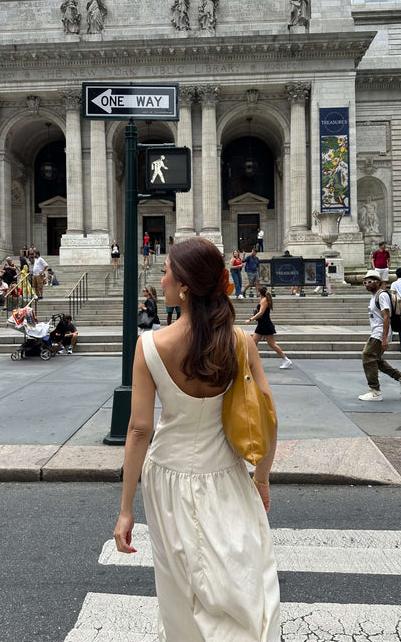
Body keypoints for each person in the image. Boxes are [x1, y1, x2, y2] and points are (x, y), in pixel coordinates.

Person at [114, 237, 280, 641]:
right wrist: (262, 476)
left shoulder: (151, 345)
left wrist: (125, 509)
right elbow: (268, 414)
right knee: (242, 572)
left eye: (168, 270)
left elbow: (139, 430)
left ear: (185, 285)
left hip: (167, 475)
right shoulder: (239, 341)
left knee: (178, 585)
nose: (162, 276)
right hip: (225, 471)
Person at [359, 270, 401, 401]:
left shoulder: (381, 295)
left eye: (370, 282)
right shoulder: (374, 296)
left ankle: (375, 391)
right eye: (365, 282)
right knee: (376, 360)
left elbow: (386, 316)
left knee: (367, 355)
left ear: (378, 282)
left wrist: (384, 338)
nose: (367, 284)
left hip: (380, 333)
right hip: (377, 332)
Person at [246, 286, 292, 369]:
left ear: (260, 292)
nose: (257, 292)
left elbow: (261, 313)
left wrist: (250, 319)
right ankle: (250, 361)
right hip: (262, 324)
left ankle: (286, 359)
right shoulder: (263, 299)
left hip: (265, 325)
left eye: (258, 291)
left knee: (272, 344)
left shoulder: (264, 300)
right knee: (253, 343)